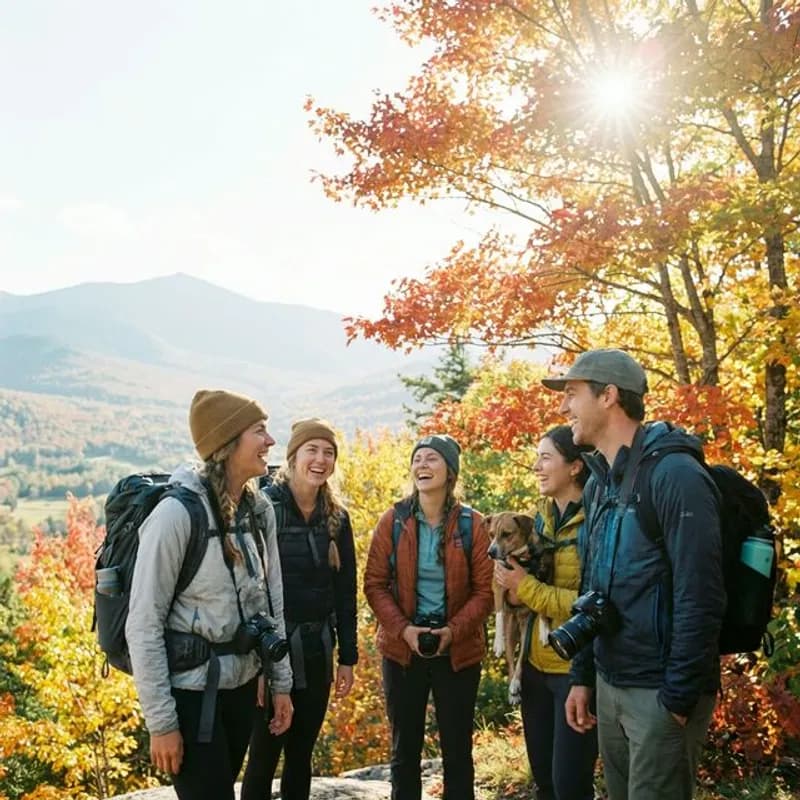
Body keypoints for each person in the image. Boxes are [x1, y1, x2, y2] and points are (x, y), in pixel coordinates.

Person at [541, 349, 725, 800]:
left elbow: (700, 593)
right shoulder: (601, 483)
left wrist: (677, 700)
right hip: (611, 683)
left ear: (608, 396)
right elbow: (592, 587)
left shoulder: (675, 475)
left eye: (572, 394)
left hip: (659, 692)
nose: (563, 408)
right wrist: (583, 675)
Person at [126, 389, 294, 800]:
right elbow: (143, 624)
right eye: (259, 430)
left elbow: (272, 602)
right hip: (189, 697)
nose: (271, 441)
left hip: (241, 690)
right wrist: (162, 723)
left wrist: (281, 682)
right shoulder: (176, 516)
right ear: (227, 443)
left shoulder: (259, 510)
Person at [364, 434, 493, 800]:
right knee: (404, 751)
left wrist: (452, 631)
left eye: (432, 458)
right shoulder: (393, 520)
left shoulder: (473, 525)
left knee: (457, 750)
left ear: (450, 471)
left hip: (458, 651)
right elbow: (374, 584)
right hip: (403, 651)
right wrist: (404, 630)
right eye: (417, 458)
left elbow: (486, 592)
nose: (422, 465)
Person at [241, 418, 358, 800]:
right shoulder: (264, 507)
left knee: (301, 753)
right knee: (263, 753)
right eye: (312, 450)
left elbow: (345, 591)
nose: (320, 460)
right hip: (272, 651)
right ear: (293, 456)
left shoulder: (336, 517)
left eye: (329, 452)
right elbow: (249, 589)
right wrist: (256, 664)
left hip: (318, 647)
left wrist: (348, 658)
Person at [493, 424, 598, 800]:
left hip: (575, 672)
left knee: (571, 786)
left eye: (546, 458)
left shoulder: (595, 521)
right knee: (545, 783)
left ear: (574, 467)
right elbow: (518, 597)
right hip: (535, 669)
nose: (536, 466)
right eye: (536, 457)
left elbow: (593, 604)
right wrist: (513, 594)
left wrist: (526, 588)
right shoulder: (537, 521)